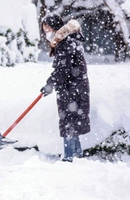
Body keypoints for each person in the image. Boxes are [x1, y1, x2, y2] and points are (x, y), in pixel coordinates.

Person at [40, 14, 90, 162]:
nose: (46, 32)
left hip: (71, 89)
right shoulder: (68, 41)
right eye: (44, 29)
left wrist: (50, 85)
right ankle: (77, 154)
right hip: (75, 87)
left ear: (55, 27)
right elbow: (64, 69)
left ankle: (69, 157)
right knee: (72, 122)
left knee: (69, 121)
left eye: (48, 28)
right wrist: (52, 83)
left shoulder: (65, 43)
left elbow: (62, 70)